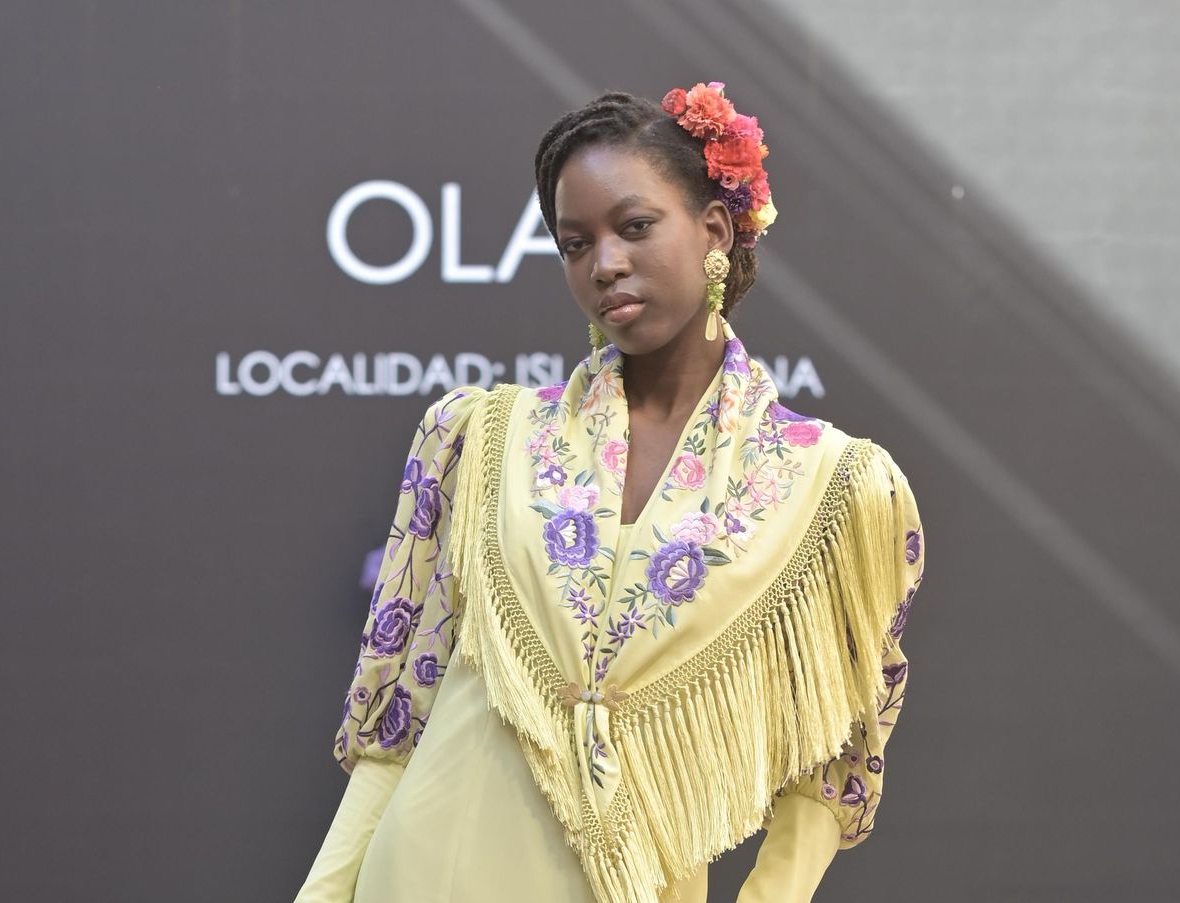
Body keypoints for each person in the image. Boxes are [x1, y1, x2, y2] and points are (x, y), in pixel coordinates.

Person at [293, 81, 928, 903]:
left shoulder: (835, 486)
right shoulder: (481, 440)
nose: (605, 264)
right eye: (573, 243)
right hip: (425, 871)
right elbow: (398, 720)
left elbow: (835, 762)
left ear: (714, 230)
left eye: (633, 226)